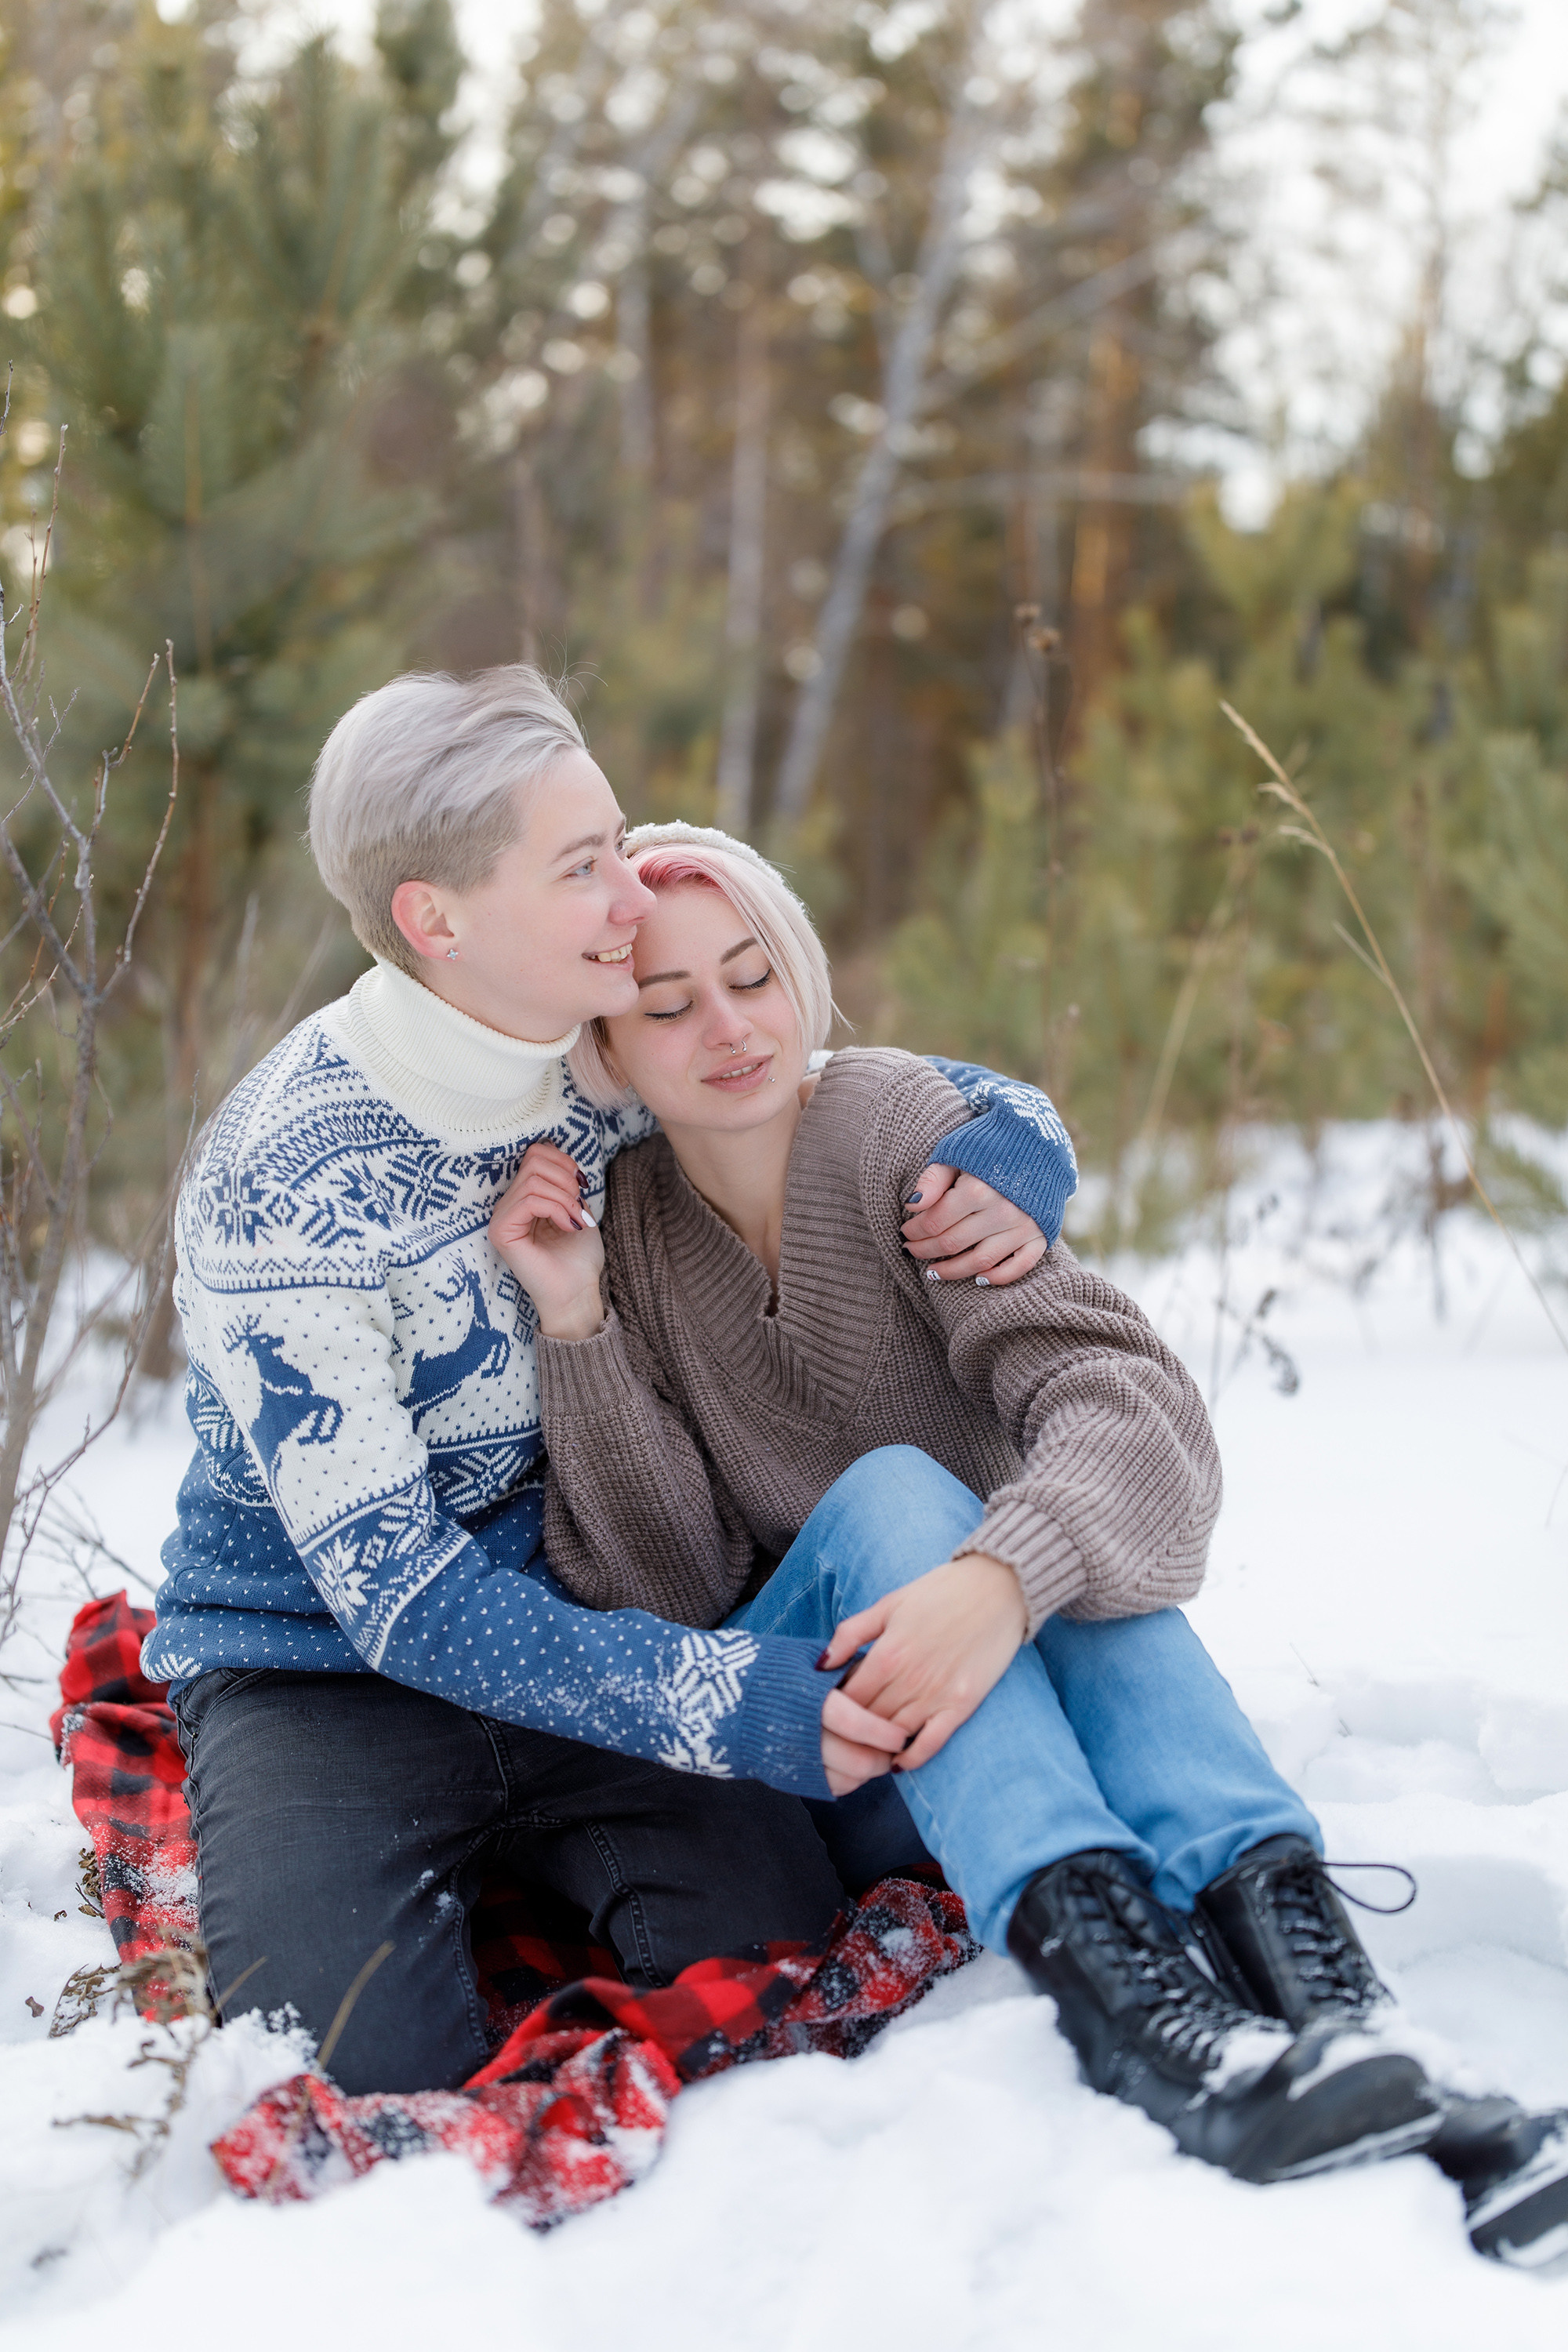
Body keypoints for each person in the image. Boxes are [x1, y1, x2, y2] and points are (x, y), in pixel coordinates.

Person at [489, 819, 1568, 2262]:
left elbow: (1130, 1409)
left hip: (1004, 1704)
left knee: (1076, 1540)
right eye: (668, 1007)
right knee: (897, 1494)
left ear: (802, 977)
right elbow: (664, 1594)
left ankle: (1337, 2011)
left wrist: (1000, 1582)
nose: (729, 1028)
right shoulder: (617, 1236)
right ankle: (1151, 2027)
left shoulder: (899, 1136)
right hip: (832, 1742)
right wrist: (576, 1323)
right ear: (608, 1055)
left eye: (753, 976)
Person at [147, 666, 1073, 2098]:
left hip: (594, 1602)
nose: (637, 895)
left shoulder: (602, 1050)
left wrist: (1016, 1150)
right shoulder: (284, 1175)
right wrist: (726, 1703)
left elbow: (856, 1080)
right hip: (316, 1663)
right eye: (585, 866)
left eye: (618, 843)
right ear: (435, 919)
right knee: (346, 2079)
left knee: (782, 1972)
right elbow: (396, 1598)